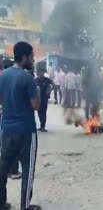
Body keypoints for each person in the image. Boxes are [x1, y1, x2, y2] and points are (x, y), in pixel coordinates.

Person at [0, 42, 41, 210]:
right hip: (26, 131)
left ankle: (1, 204)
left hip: (7, 130)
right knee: (28, 170)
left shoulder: (3, 76)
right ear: (24, 57)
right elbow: (36, 105)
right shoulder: (27, 77)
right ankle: (25, 206)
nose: (32, 59)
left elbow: (1, 101)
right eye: (31, 56)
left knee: (2, 170)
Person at [35, 68, 53, 132]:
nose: (41, 74)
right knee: (39, 112)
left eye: (42, 72)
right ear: (38, 73)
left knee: (44, 112)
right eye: (40, 72)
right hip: (38, 98)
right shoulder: (36, 80)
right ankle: (41, 125)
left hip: (45, 98)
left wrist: (49, 90)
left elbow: (52, 85)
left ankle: (43, 126)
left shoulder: (47, 80)